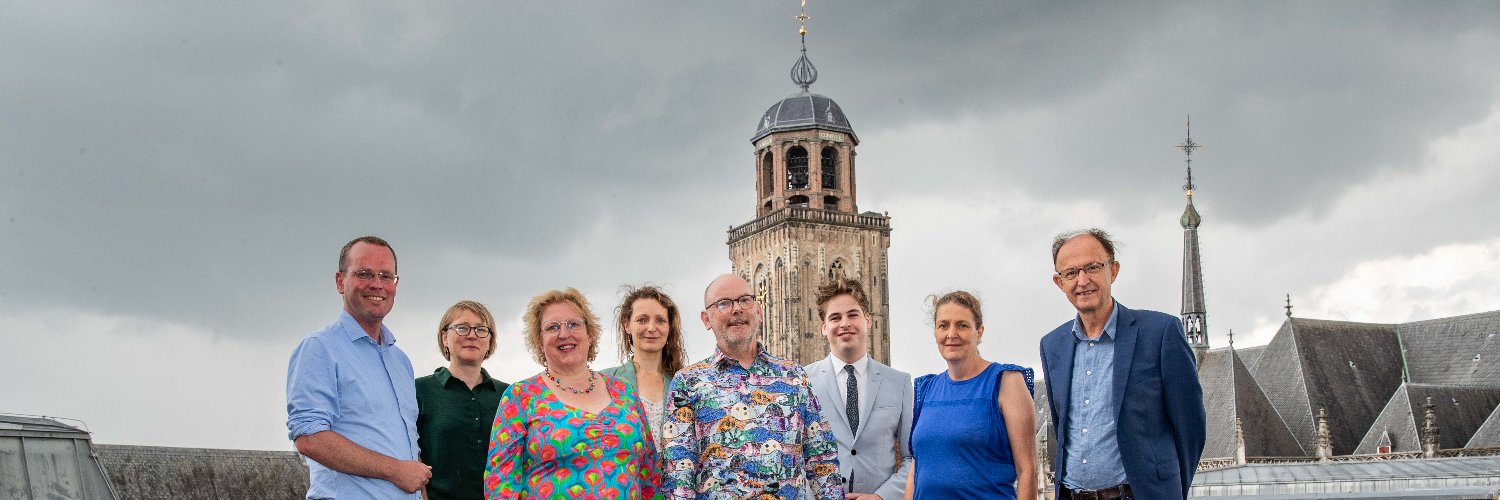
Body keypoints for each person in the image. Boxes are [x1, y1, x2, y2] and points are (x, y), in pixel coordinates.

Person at [1039, 229, 1206, 500]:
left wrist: (1167, 492)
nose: (1082, 280)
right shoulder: (1052, 345)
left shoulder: (1160, 333)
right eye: (1071, 273)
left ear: (1113, 271)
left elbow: (1191, 429)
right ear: (1059, 282)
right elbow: (1062, 428)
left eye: (1092, 267)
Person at [662, 273, 845, 499]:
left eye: (744, 300)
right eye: (723, 303)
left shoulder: (794, 376)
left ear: (758, 311)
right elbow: (677, 471)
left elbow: (822, 460)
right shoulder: (688, 382)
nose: (736, 309)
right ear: (706, 319)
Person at [286, 236, 430, 498]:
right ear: (341, 282)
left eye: (386, 276)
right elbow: (309, 438)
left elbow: (410, 454)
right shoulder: (319, 348)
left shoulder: (401, 361)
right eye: (364, 274)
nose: (377, 284)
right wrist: (394, 470)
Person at [484, 288, 661, 499]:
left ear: (590, 333)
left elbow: (649, 474)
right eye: (552, 327)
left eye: (573, 324)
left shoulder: (624, 391)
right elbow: (500, 484)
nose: (564, 333)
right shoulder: (519, 396)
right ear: (539, 342)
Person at [905, 291, 1036, 499]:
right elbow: (916, 470)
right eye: (943, 325)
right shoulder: (925, 389)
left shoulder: (1006, 381)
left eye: (962, 325)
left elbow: (1027, 470)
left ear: (980, 332)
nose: (951, 334)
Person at [805, 277, 913, 500]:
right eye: (835, 317)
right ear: (824, 328)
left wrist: (882, 497)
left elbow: (912, 457)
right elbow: (792, 454)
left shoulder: (899, 383)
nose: (845, 323)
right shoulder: (802, 381)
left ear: (868, 320)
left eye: (852, 314)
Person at [415, 300, 510, 500]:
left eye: (481, 329)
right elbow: (407, 452)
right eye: (462, 328)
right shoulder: (418, 390)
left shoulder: (509, 395)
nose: (472, 335)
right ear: (444, 338)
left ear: (490, 341)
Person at [602, 285, 689, 453]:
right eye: (642, 320)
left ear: (669, 327)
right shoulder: (606, 381)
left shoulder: (685, 384)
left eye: (660, 320)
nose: (651, 328)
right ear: (627, 325)